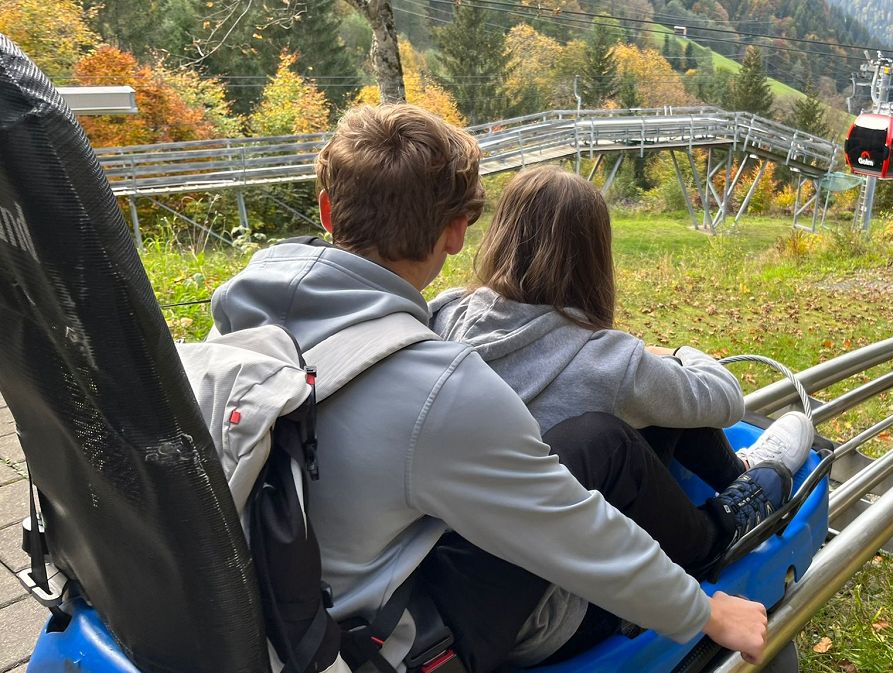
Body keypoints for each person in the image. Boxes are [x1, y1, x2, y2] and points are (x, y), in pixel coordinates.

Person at [209, 104, 769, 673]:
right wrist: (705, 613)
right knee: (600, 442)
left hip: (266, 622)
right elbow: (573, 527)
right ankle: (726, 523)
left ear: (327, 210)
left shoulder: (232, 331)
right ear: (457, 231)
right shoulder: (436, 385)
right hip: (398, 646)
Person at [429, 163, 815, 586]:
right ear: (592, 255)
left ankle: (738, 471)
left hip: (470, 544)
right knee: (663, 390)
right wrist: (676, 353)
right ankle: (734, 494)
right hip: (564, 572)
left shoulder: (447, 312)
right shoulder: (606, 362)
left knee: (652, 392)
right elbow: (727, 398)